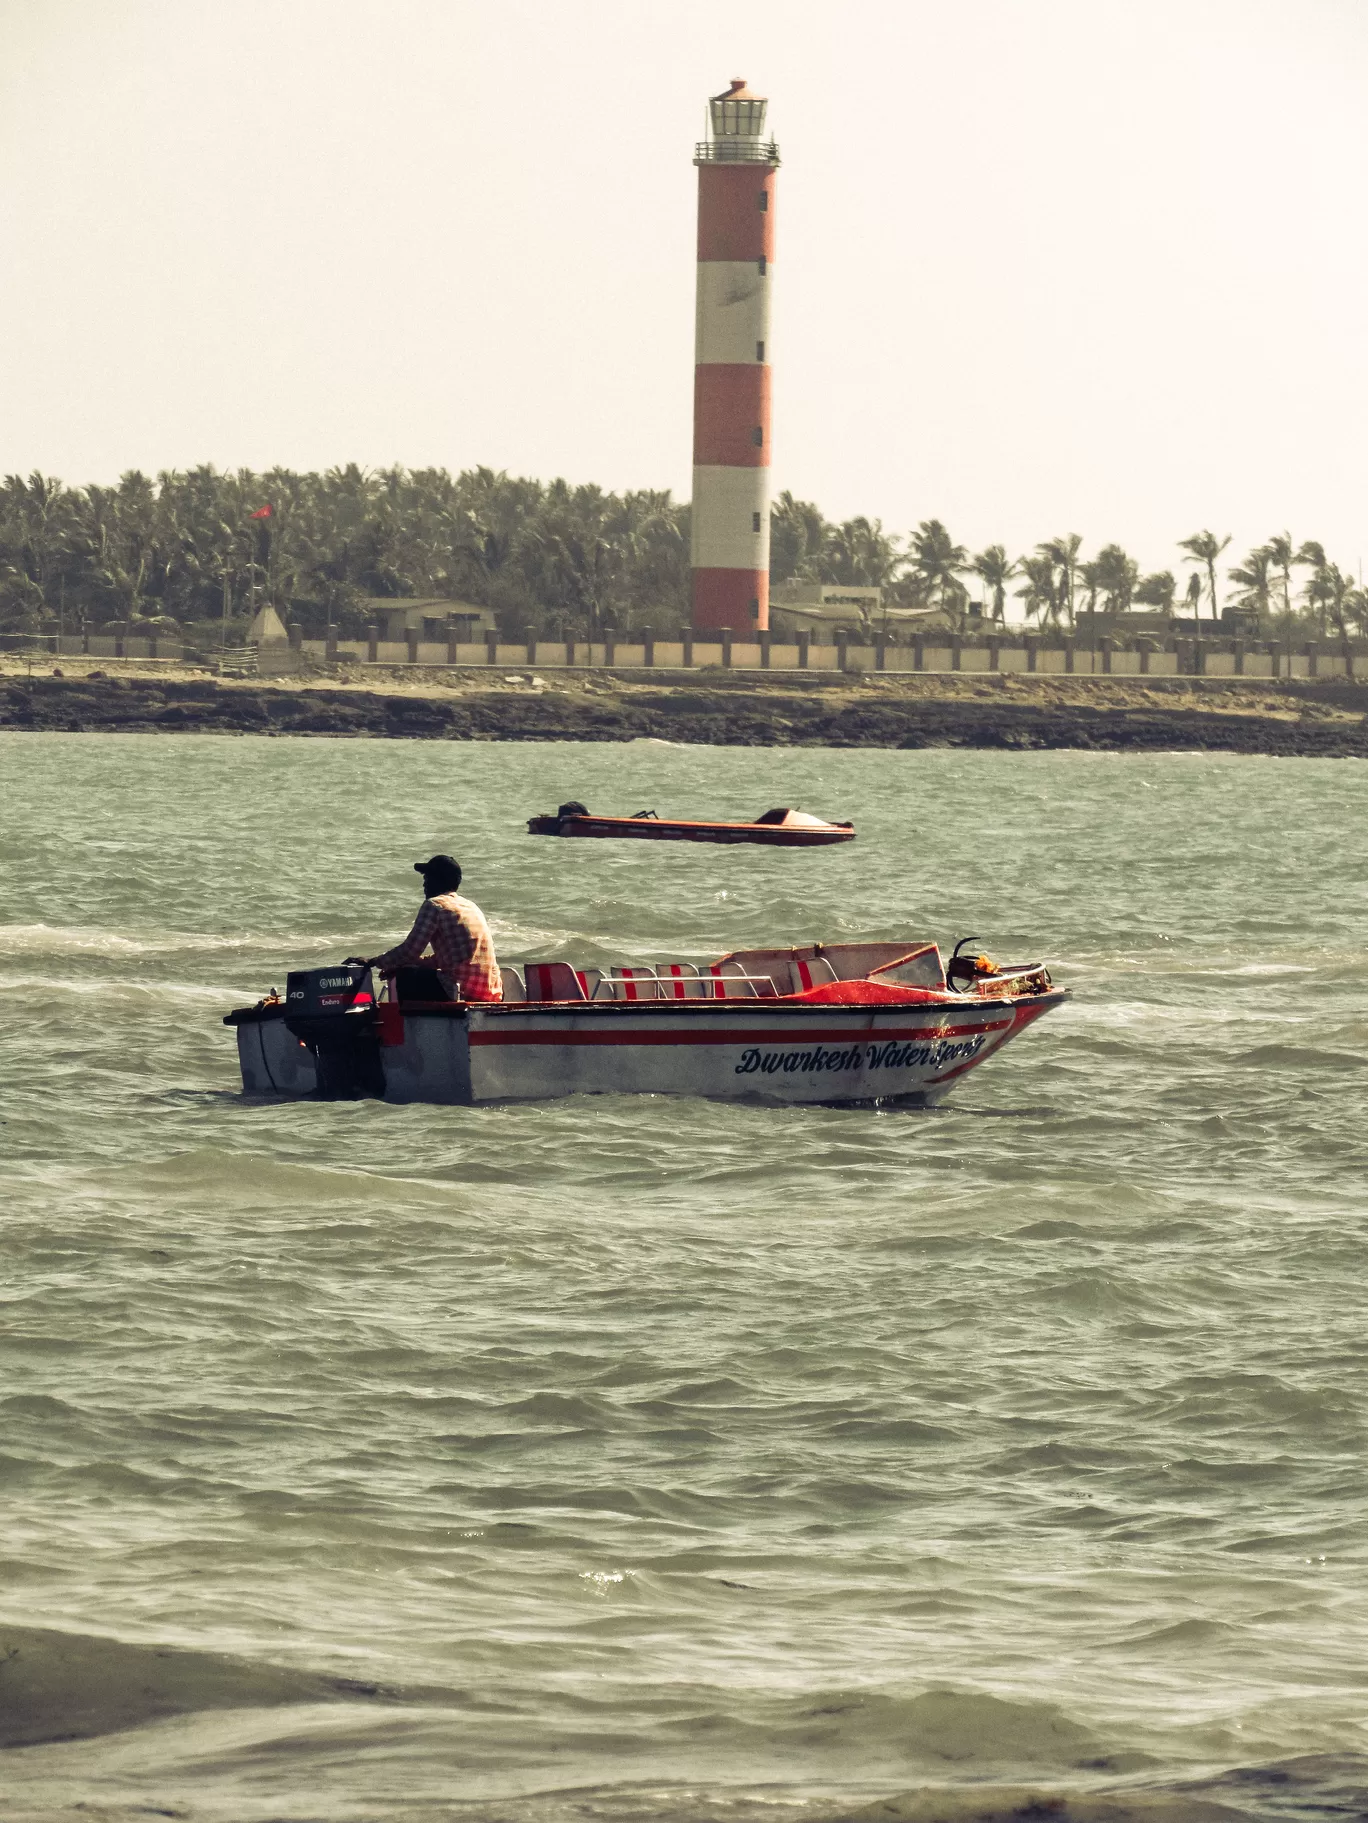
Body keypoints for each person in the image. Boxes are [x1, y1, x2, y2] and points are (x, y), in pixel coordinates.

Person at [358, 855, 503, 1002]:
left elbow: (410, 950)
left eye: (427, 879)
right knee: (409, 968)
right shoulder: (470, 906)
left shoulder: (434, 905)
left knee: (407, 976)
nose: (424, 885)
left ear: (439, 880)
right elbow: (452, 958)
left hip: (461, 992)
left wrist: (373, 962)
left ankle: (413, 1025)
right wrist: (403, 963)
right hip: (491, 994)